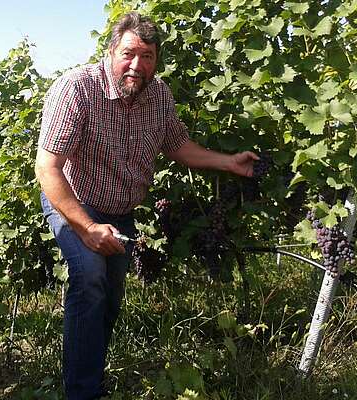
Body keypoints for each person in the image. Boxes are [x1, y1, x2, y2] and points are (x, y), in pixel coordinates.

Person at [35, 11, 259, 400]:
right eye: (129, 53)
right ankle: (82, 392)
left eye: (148, 56)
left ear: (157, 60)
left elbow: (179, 147)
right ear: (110, 52)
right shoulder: (76, 89)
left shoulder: (158, 96)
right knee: (89, 278)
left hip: (120, 210)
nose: (137, 65)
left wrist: (229, 162)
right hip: (73, 201)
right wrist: (86, 228)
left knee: (110, 296)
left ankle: (90, 374)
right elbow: (47, 167)